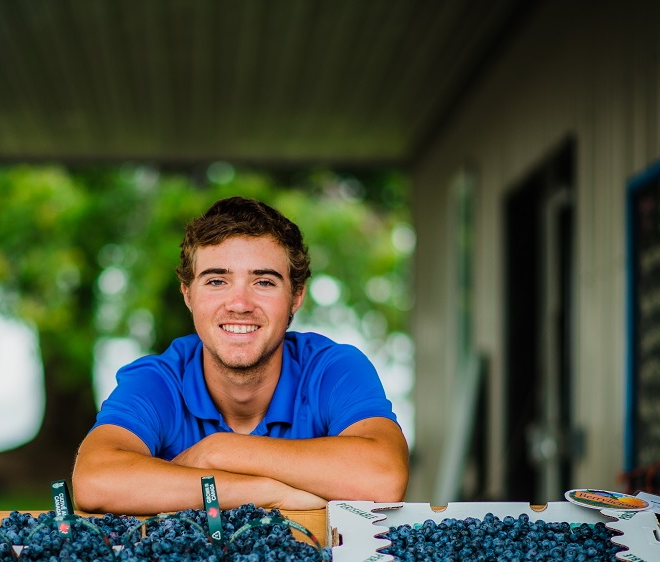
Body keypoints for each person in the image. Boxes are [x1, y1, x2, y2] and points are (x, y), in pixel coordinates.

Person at [72, 196, 409, 514]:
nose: (240, 304)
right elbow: (95, 480)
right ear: (188, 294)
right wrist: (266, 493)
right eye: (217, 281)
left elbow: (384, 478)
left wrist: (217, 451)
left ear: (296, 297)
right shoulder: (158, 380)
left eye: (264, 282)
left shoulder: (333, 369)